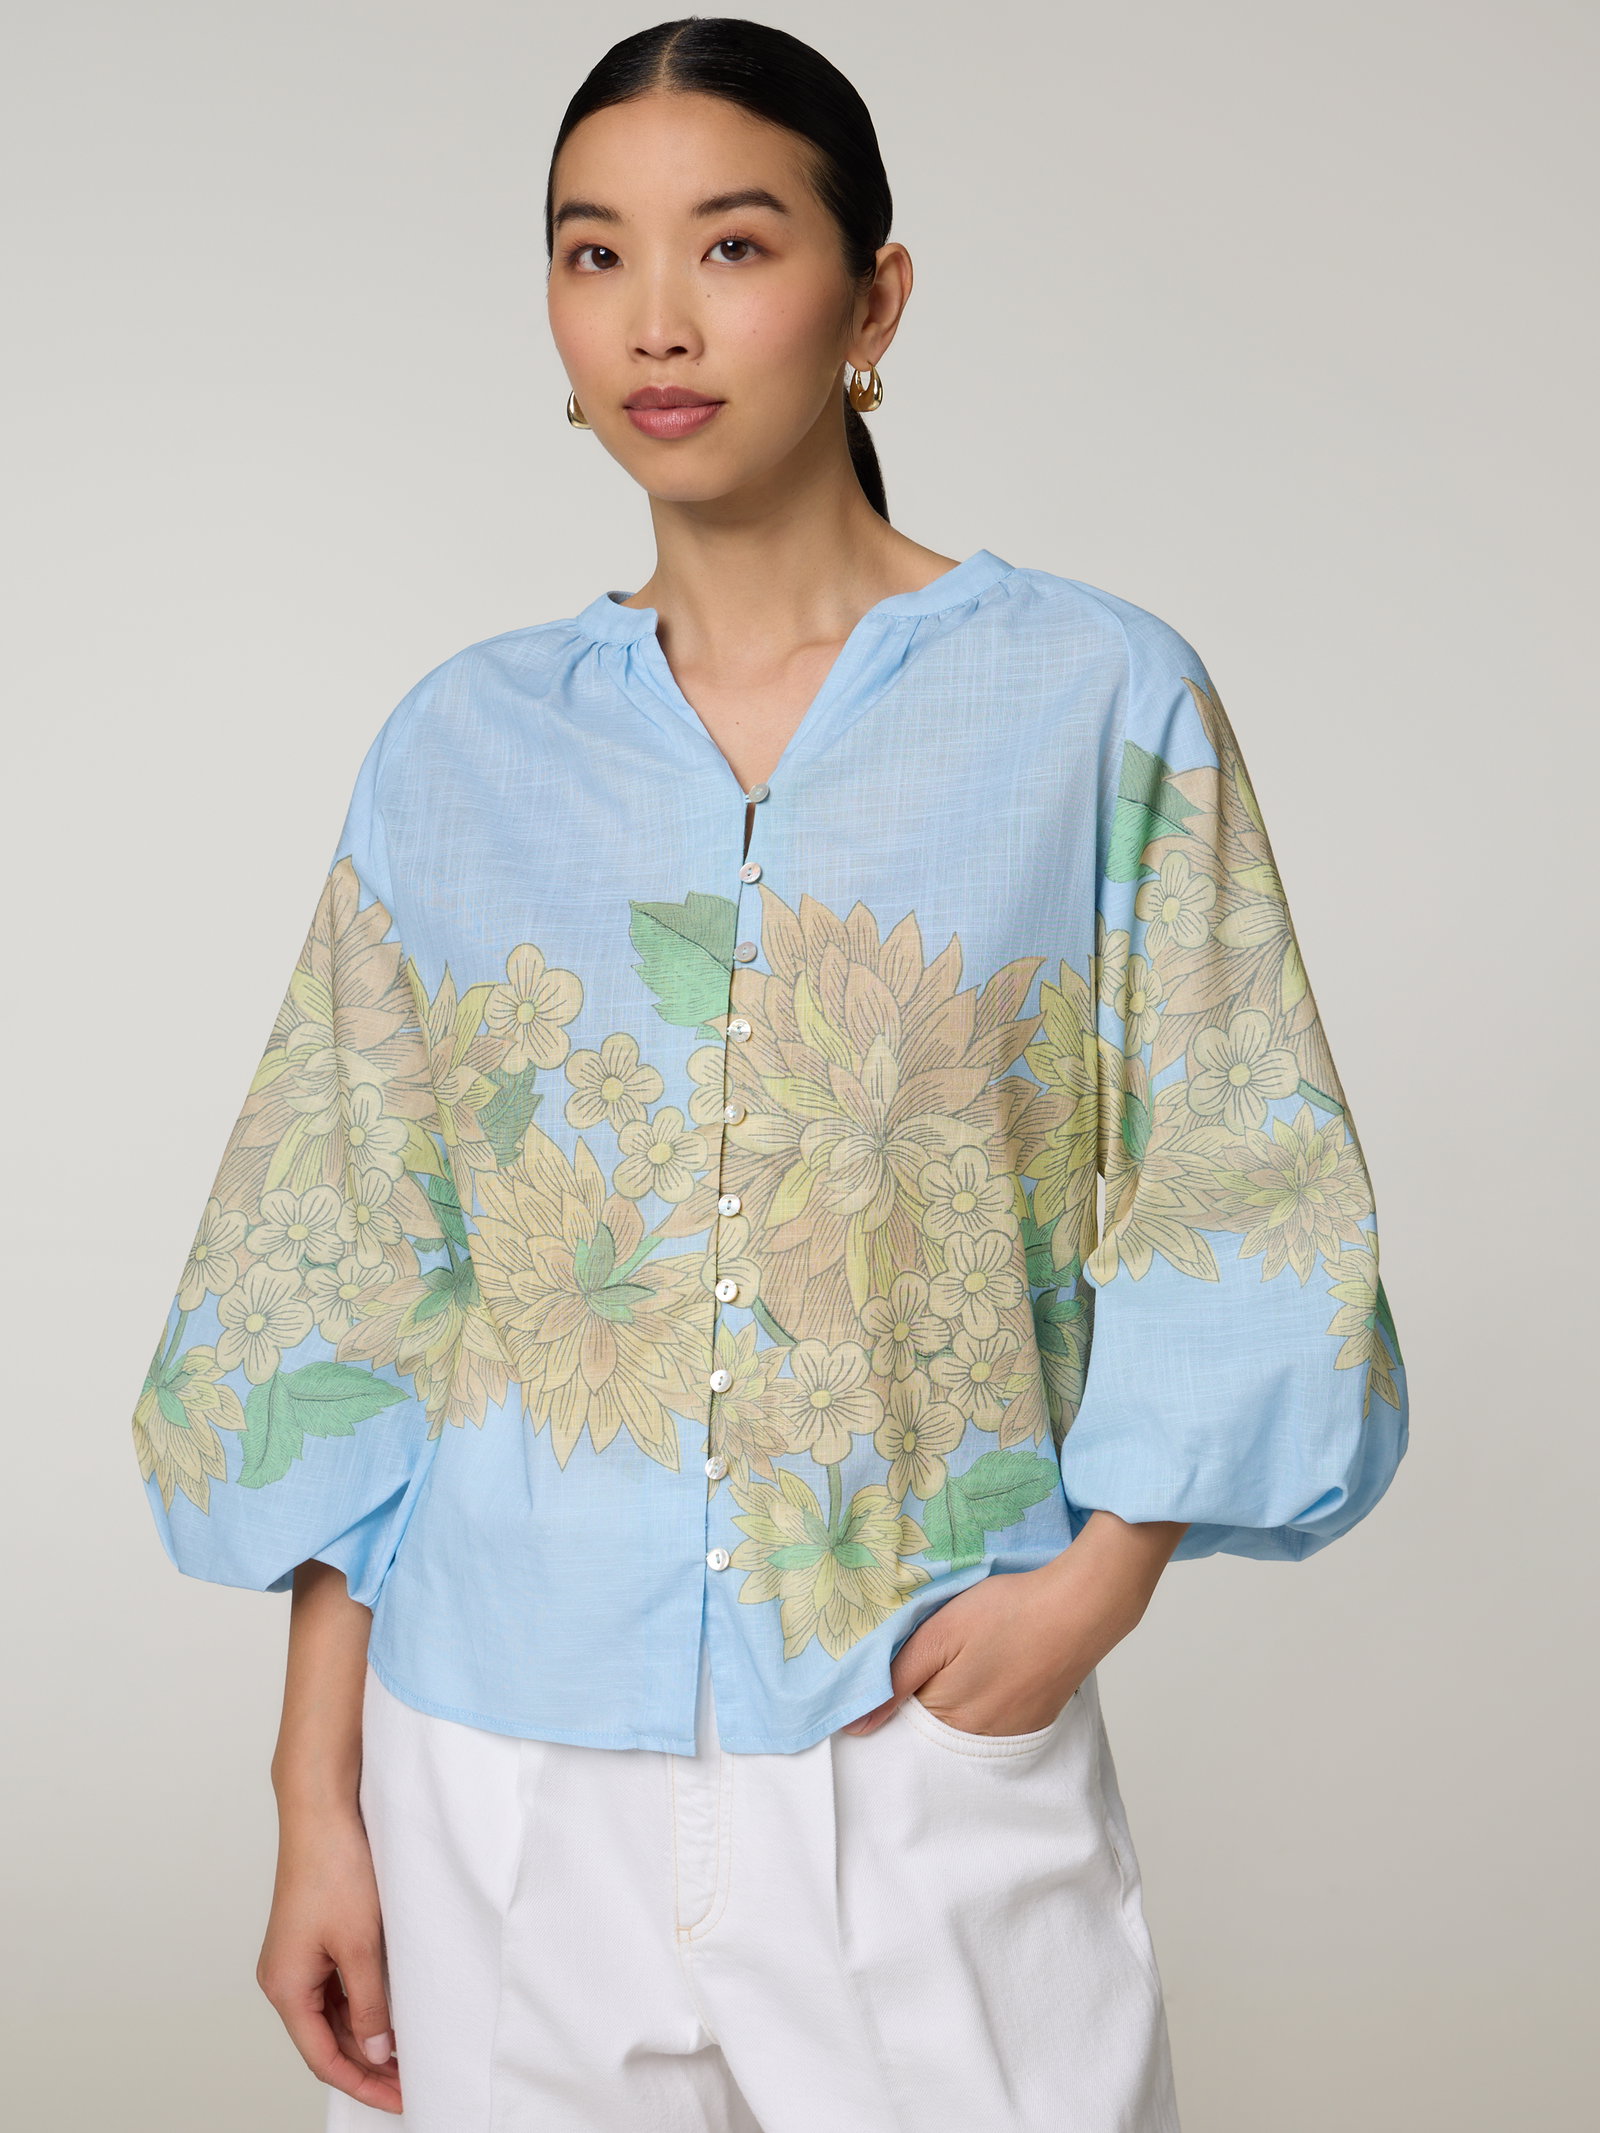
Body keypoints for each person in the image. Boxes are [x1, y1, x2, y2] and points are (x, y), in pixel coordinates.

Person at [131, 17, 1409, 2131]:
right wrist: (315, 1796)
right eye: (593, 252)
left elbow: (1235, 1167)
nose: (655, 317)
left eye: (731, 245)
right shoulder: (461, 746)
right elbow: (358, 1276)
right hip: (494, 1763)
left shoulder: (1094, 700)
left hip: (913, 1730)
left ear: (871, 298)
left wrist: (1092, 1586)